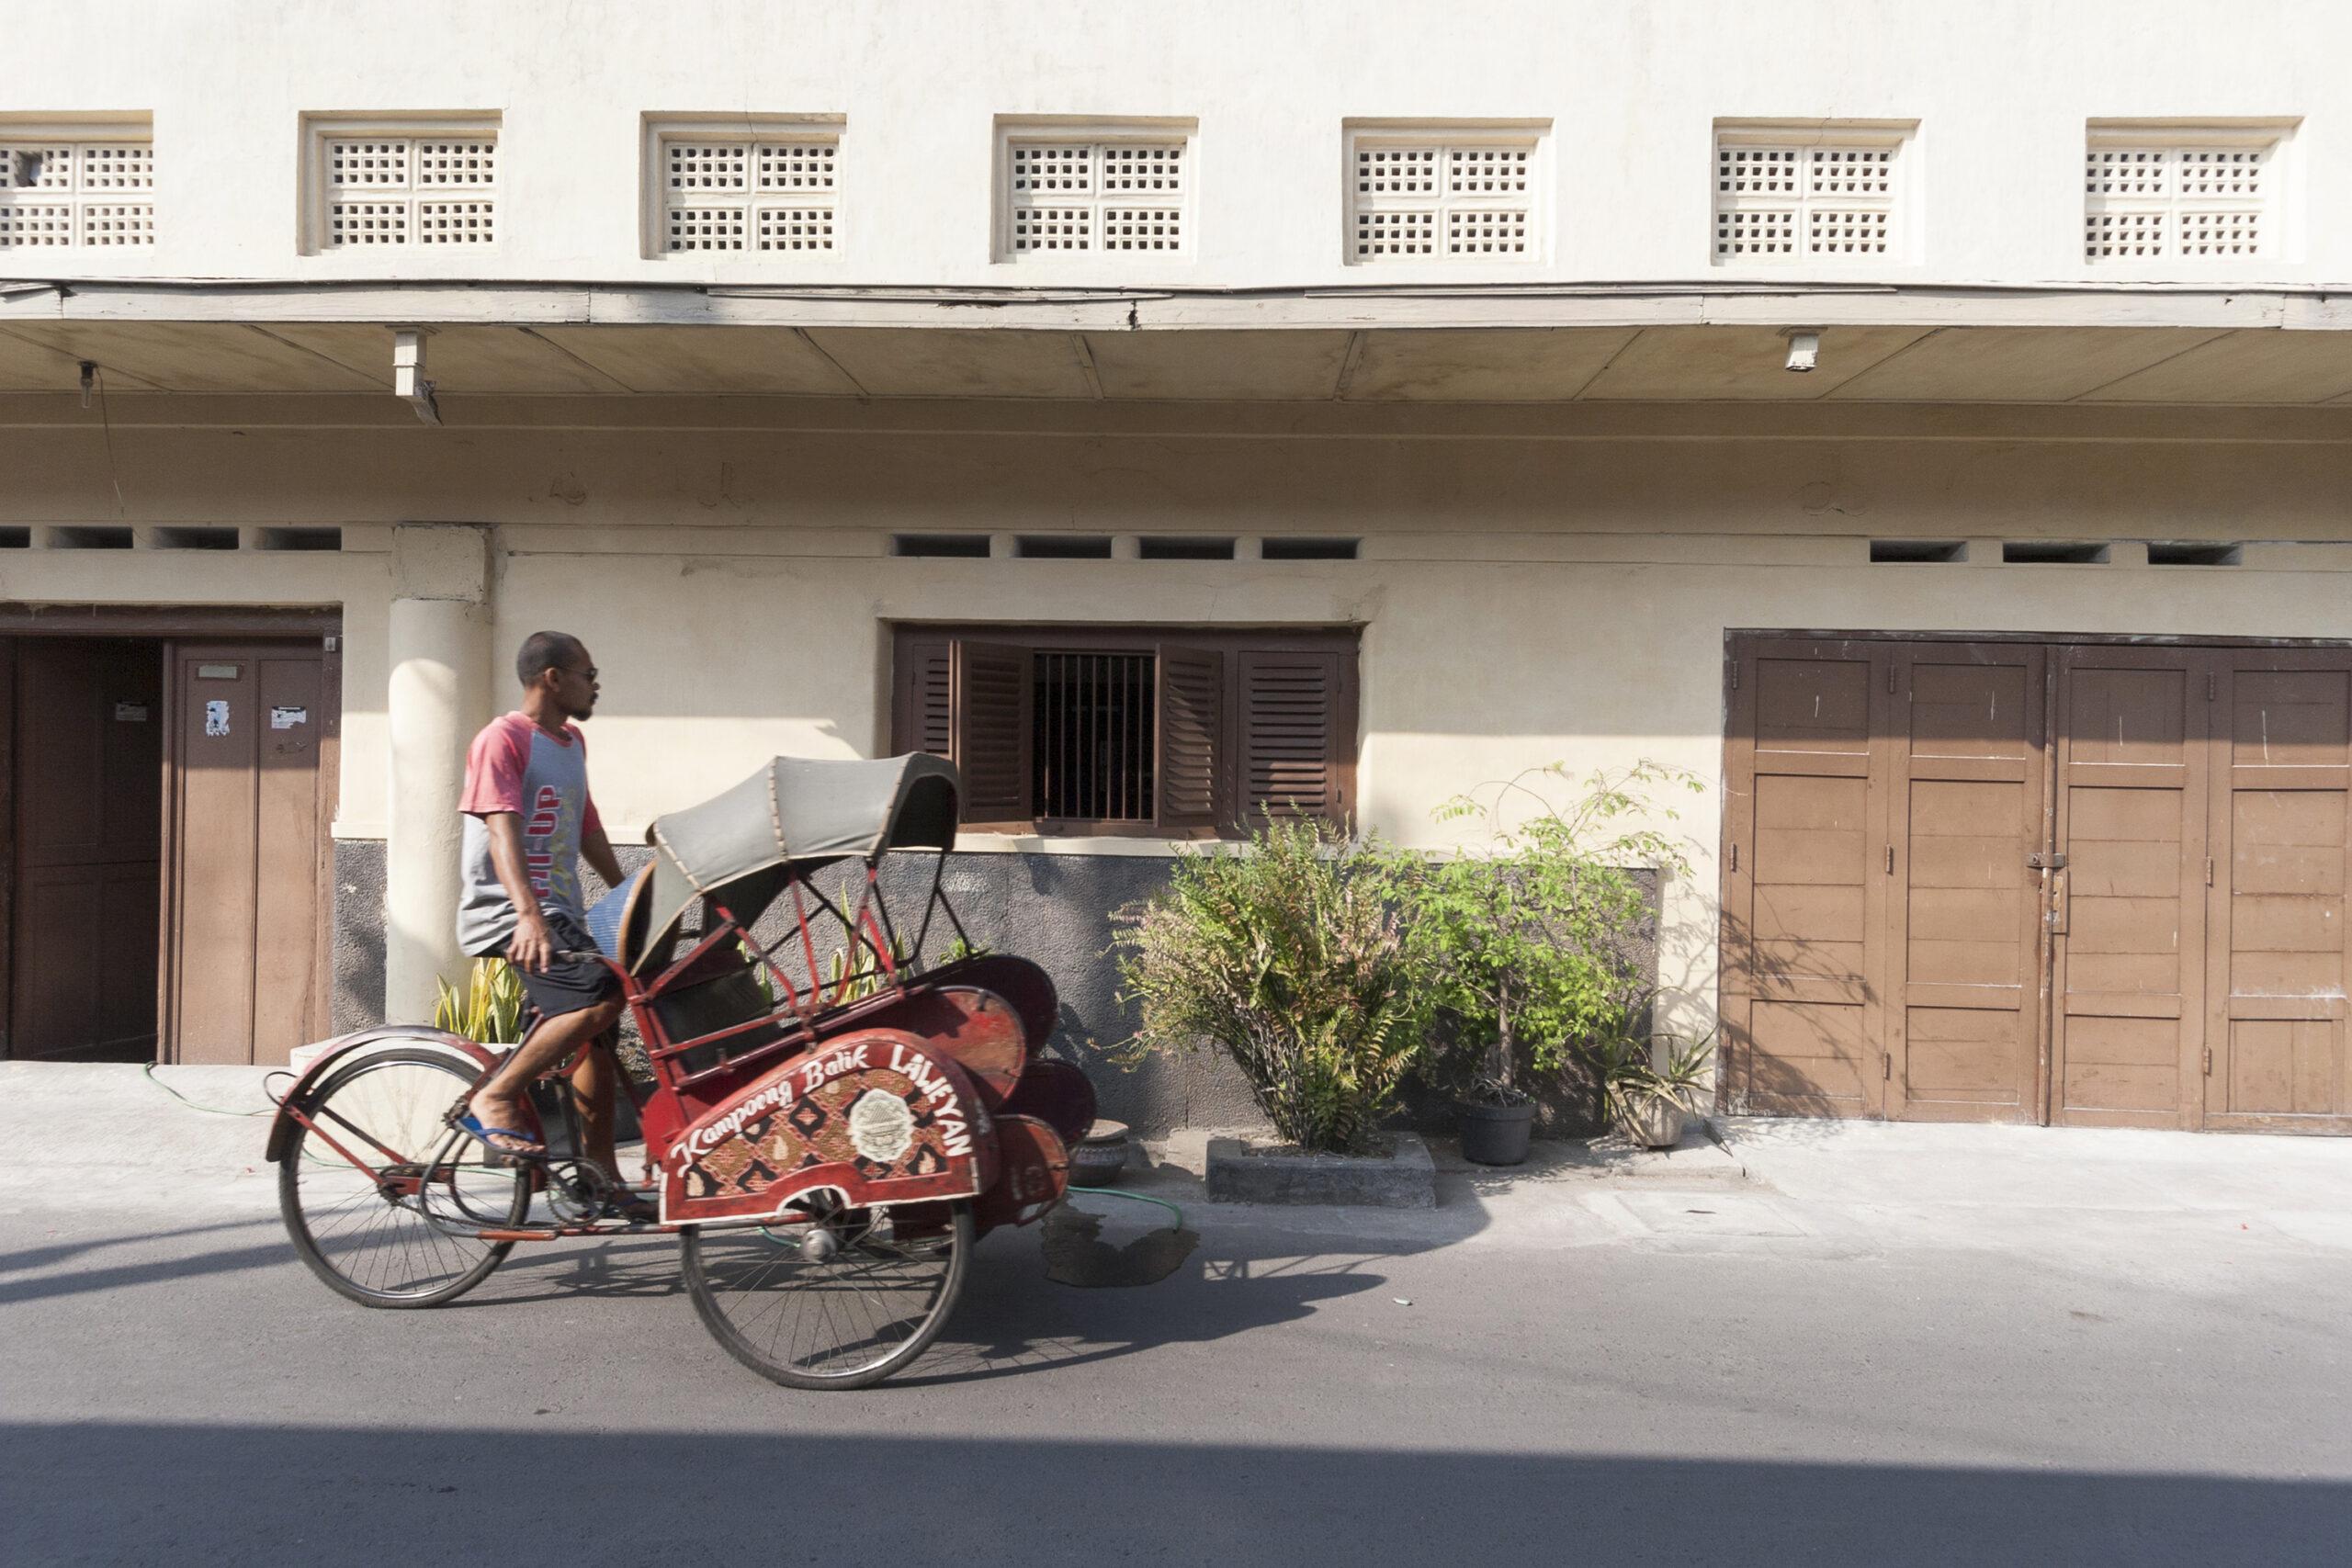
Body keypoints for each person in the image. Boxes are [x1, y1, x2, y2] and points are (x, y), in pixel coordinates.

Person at [455, 630, 649, 1218]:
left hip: (559, 912)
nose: (596, 685)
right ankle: (495, 1095)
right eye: (588, 674)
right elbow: (499, 827)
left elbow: (585, 824)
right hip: (511, 914)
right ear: (553, 678)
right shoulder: (502, 738)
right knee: (595, 1000)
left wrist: (626, 890)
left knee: (599, 1036)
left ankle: (600, 1179)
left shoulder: (572, 743)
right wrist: (528, 914)